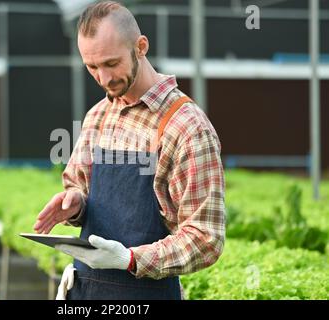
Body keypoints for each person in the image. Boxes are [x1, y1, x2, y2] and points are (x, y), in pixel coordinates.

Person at [34, 0, 225, 300]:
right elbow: (81, 188)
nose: (104, 78)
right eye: (92, 67)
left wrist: (131, 259)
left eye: (111, 63)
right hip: (85, 292)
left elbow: (205, 238)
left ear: (141, 47)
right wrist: (76, 204)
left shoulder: (186, 127)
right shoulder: (98, 116)